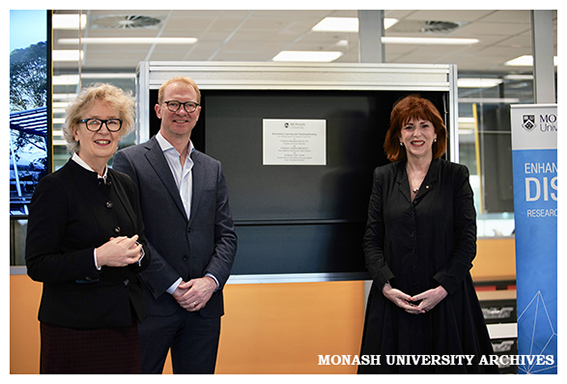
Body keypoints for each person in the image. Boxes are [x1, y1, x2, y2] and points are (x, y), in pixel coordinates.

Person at [358, 94, 498, 374]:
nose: (417, 134)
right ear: (399, 135)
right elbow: (371, 239)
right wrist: (386, 286)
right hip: (393, 300)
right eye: (408, 127)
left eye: (425, 126)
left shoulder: (455, 176)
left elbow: (467, 242)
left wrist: (442, 288)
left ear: (437, 133)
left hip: (447, 299)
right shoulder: (383, 177)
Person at [113, 76, 237, 374]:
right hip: (152, 304)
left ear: (198, 110)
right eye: (173, 104)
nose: (182, 111)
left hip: (204, 306)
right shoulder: (129, 161)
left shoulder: (211, 167)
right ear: (158, 110)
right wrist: (174, 286)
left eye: (190, 105)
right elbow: (131, 235)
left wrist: (210, 282)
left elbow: (226, 236)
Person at [25, 83, 150, 374]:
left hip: (124, 325)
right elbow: (38, 264)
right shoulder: (54, 188)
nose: (104, 130)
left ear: (121, 132)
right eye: (93, 122)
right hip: (74, 330)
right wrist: (98, 258)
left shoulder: (125, 184)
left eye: (113, 123)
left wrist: (138, 254)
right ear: (75, 131)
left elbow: (141, 243)